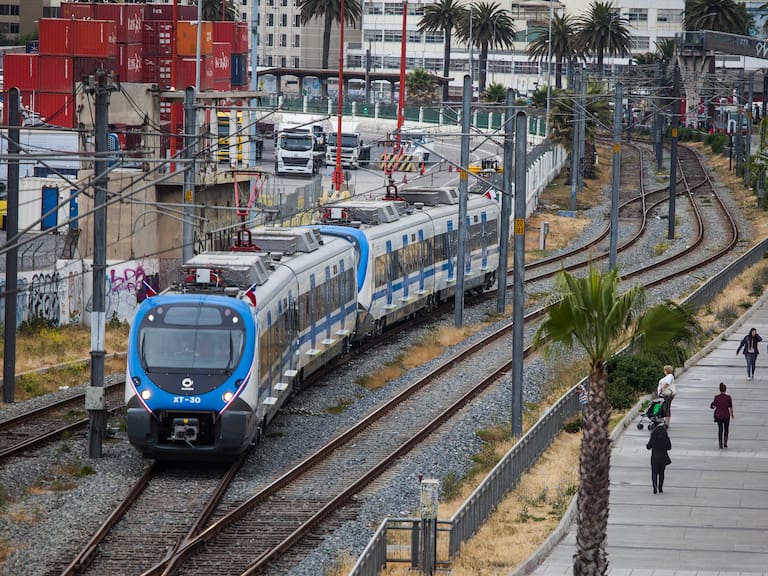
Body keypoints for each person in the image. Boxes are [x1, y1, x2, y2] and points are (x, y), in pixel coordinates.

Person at [646, 424, 671, 494]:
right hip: (663, 457)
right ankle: (660, 487)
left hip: (655, 457)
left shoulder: (653, 437)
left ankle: (654, 486)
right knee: (661, 473)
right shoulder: (665, 437)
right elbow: (669, 447)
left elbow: (648, 447)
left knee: (654, 472)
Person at [711, 382, 734, 449]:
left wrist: (712, 404)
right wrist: (732, 414)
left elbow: (714, 406)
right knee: (726, 429)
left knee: (720, 430)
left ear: (720, 389)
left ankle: (720, 443)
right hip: (726, 415)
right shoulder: (728, 397)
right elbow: (730, 407)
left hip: (719, 415)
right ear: (725, 390)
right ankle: (725, 442)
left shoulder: (716, 397)